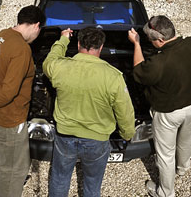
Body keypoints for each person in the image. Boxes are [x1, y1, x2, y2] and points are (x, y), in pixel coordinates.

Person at [43, 27, 135, 197]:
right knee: (93, 184)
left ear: (78, 44)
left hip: (65, 137)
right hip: (97, 139)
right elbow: (125, 111)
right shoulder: (113, 76)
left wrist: (63, 40)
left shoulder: (59, 68)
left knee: (60, 179)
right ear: (101, 47)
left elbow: (49, 61)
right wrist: (127, 133)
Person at [128, 16, 191, 197]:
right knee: (186, 137)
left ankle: (165, 192)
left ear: (161, 40)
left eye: (151, 39)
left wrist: (137, 44)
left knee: (165, 154)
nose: (150, 42)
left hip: (168, 114)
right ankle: (183, 167)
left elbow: (139, 73)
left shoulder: (159, 63)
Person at [0, 6, 46, 197]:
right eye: (39, 31)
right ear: (37, 25)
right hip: (10, 120)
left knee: (6, 161)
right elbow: (10, 91)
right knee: (14, 170)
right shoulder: (22, 49)